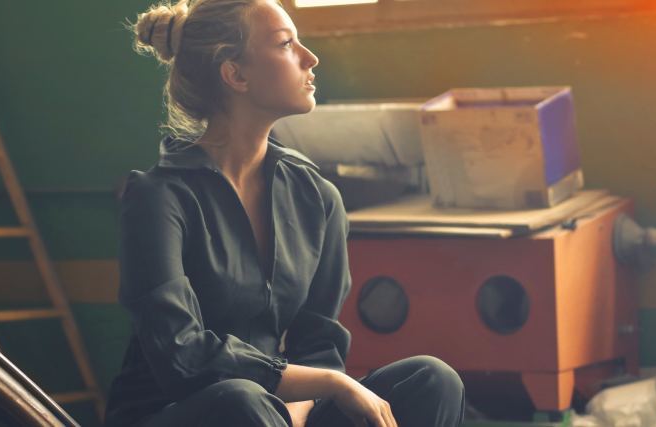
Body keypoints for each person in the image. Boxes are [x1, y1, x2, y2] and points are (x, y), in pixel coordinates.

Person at [105, 1, 465, 426]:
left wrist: (298, 409)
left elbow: (319, 342)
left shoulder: (317, 198)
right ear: (235, 74)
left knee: (431, 379)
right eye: (286, 43)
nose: (310, 58)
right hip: (178, 412)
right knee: (241, 401)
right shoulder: (157, 197)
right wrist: (333, 385)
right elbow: (182, 354)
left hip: (277, 412)